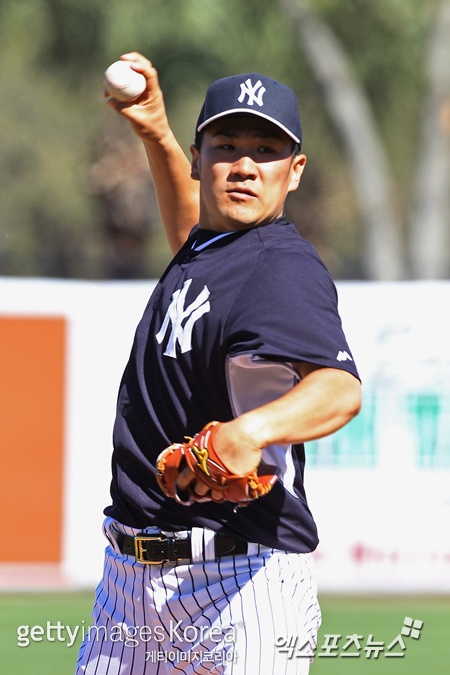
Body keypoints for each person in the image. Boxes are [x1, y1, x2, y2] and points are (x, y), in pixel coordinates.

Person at [75, 53, 361, 675]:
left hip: (236, 581)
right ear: (201, 158)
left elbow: (339, 389)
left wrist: (250, 431)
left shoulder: (282, 267)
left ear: (296, 170)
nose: (245, 166)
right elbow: (191, 226)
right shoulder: (212, 247)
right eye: (226, 145)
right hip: (129, 585)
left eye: (266, 151)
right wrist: (154, 129)